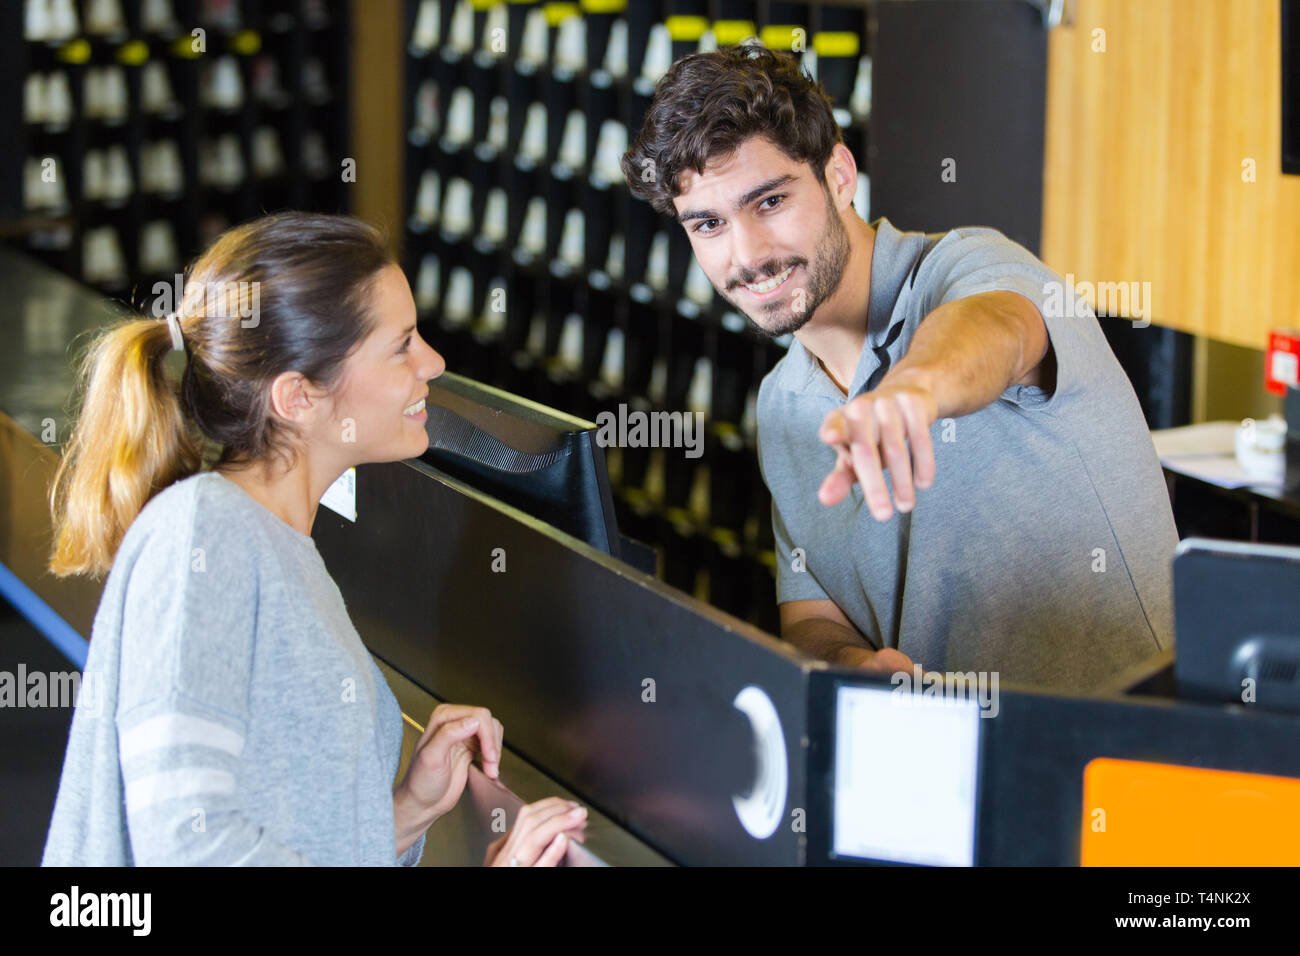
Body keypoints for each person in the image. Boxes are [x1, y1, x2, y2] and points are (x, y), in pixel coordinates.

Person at [621, 46, 1178, 691]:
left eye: (769, 202)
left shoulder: (966, 267)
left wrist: (914, 388)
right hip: (945, 768)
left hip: (1128, 757)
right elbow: (812, 611)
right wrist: (854, 664)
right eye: (709, 224)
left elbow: (1000, 326)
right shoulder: (782, 403)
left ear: (838, 175)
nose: (747, 255)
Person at [41, 212, 587, 865]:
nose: (434, 363)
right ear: (298, 397)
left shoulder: (277, 545)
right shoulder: (204, 536)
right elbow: (191, 847)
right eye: (402, 345)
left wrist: (408, 810)